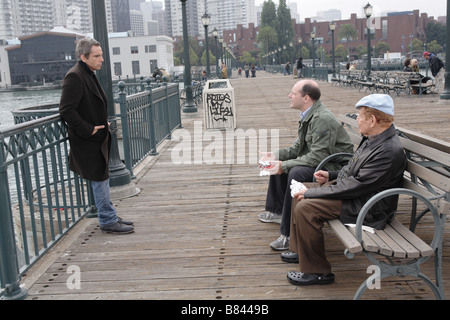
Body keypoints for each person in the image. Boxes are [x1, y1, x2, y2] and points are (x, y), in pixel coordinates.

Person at [284, 94, 407, 286]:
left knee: (306, 206)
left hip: (369, 209)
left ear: (373, 120)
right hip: (360, 197)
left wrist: (311, 193)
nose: (356, 119)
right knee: (301, 191)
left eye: (360, 116)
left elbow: (356, 186)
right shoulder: (375, 138)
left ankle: (317, 272)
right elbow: (357, 171)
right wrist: (332, 176)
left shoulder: (387, 151)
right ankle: (301, 250)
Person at [258, 79, 354, 250]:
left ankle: (288, 234)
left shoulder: (321, 118)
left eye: (293, 93)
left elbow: (318, 157)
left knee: (295, 172)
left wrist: (284, 165)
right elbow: (298, 147)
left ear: (306, 98)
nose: (289, 95)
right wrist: (274, 156)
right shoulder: (309, 114)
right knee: (279, 164)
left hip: (334, 166)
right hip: (323, 159)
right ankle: (277, 211)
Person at [59, 38, 134, 235]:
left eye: (101, 55)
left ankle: (108, 215)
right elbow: (66, 110)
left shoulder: (88, 74)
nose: (102, 59)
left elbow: (90, 104)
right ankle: (107, 220)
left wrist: (101, 123)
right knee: (99, 178)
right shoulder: (74, 76)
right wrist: (88, 129)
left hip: (96, 137)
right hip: (86, 140)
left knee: (101, 178)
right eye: (97, 56)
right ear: (84, 57)